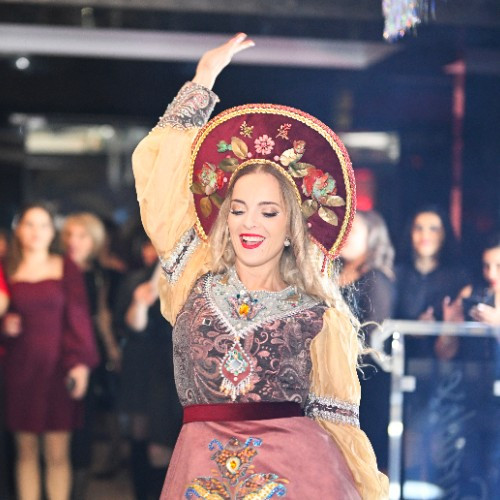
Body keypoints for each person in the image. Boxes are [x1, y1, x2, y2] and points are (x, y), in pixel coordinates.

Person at [132, 34, 387, 498]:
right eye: (239, 209)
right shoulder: (193, 278)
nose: (250, 223)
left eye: (269, 212)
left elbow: (340, 427)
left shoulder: (320, 314)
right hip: (198, 474)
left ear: (291, 227)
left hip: (297, 480)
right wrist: (204, 78)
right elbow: (160, 179)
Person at [1, 203, 98, 500]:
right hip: (19, 368)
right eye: (29, 224)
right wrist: (5, 324)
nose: (37, 232)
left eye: (43, 225)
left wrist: (80, 364)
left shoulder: (65, 266)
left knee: (57, 453)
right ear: (19, 230)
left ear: (52, 232)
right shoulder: (7, 269)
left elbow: (79, 319)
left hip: (58, 368)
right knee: (25, 452)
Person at [115, 235, 182, 500]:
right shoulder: (137, 280)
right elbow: (131, 326)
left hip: (176, 368)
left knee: (169, 442)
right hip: (144, 365)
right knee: (144, 437)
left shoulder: (190, 279)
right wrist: (140, 302)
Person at [61, 212, 122, 499]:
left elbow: (102, 316)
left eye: (82, 236)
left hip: (90, 352)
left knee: (84, 423)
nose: (73, 241)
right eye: (69, 235)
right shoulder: (55, 269)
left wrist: (111, 351)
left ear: (94, 240)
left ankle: (77, 489)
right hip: (58, 353)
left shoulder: (98, 275)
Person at [339, 210, 396, 471]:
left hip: (365, 379)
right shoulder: (334, 270)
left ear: (372, 237)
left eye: (353, 230)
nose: (345, 234)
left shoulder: (376, 277)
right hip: (339, 375)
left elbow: (373, 335)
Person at [395, 204, 470, 322]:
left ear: (444, 234)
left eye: (433, 229)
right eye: (418, 228)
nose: (425, 236)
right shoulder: (395, 275)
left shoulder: (459, 278)